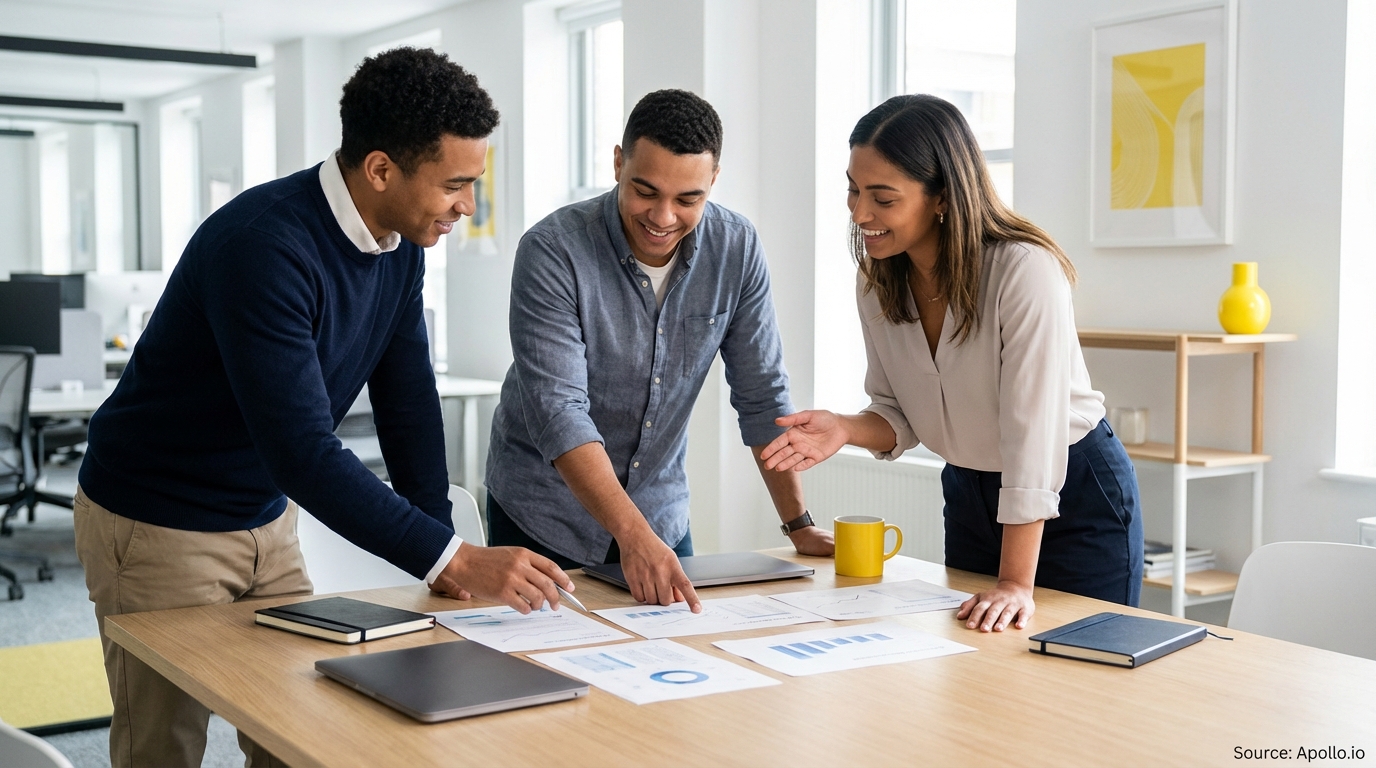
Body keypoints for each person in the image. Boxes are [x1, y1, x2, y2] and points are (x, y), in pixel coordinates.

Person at [72, 48, 572, 768]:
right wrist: (454, 554)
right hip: (156, 519)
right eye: (456, 185)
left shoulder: (399, 245)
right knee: (165, 745)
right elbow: (302, 450)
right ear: (379, 170)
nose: (469, 205)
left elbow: (408, 402)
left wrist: (443, 562)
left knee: (297, 728)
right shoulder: (264, 246)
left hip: (266, 517)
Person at [761, 94, 1143, 632]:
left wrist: (1015, 581)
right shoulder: (876, 280)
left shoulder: (1023, 270)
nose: (859, 213)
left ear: (941, 196)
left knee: (1081, 676)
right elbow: (898, 412)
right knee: (977, 675)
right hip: (969, 490)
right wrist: (845, 428)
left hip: (1073, 492)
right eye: (852, 189)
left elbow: (1033, 434)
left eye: (882, 198)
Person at [485, 89, 834, 611]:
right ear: (619, 161)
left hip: (660, 514)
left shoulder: (735, 248)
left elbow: (763, 394)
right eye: (644, 191)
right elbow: (560, 413)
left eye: (688, 199)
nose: (663, 217)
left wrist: (798, 526)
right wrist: (632, 535)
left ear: (713, 180)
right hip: (543, 515)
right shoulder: (553, 250)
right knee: (552, 676)